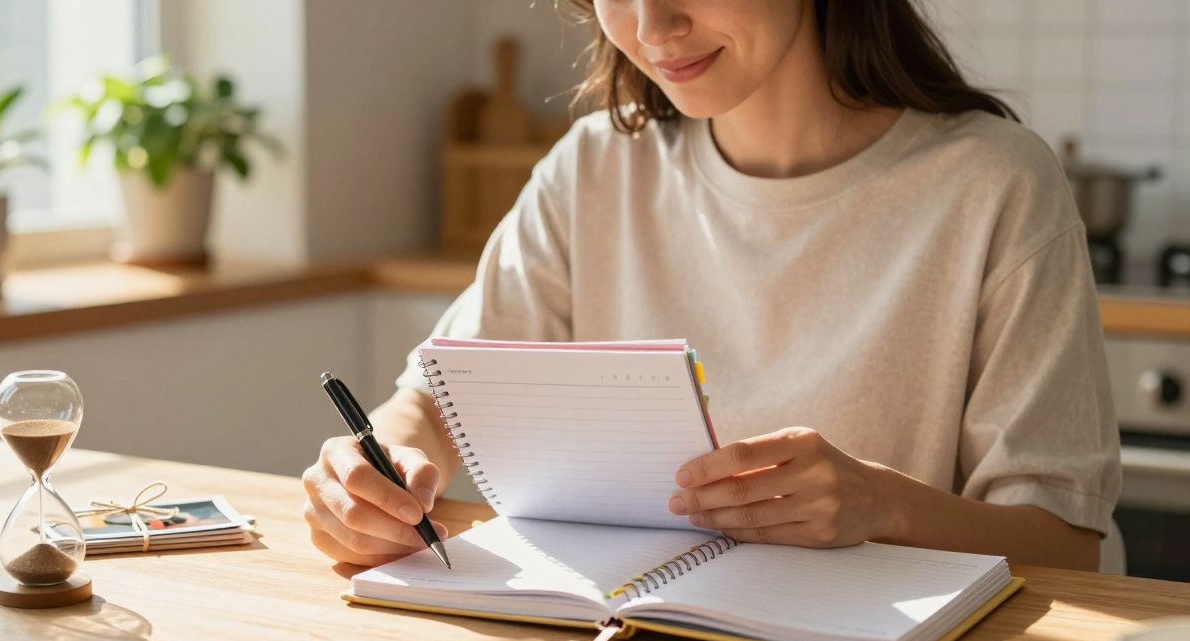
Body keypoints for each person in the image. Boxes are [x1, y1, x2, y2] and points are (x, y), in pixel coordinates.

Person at [303, 0, 1119, 571]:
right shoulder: (592, 170)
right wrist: (376, 471)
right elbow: (436, 395)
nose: (653, 27)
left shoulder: (996, 185)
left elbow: (1065, 545)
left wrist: (884, 506)